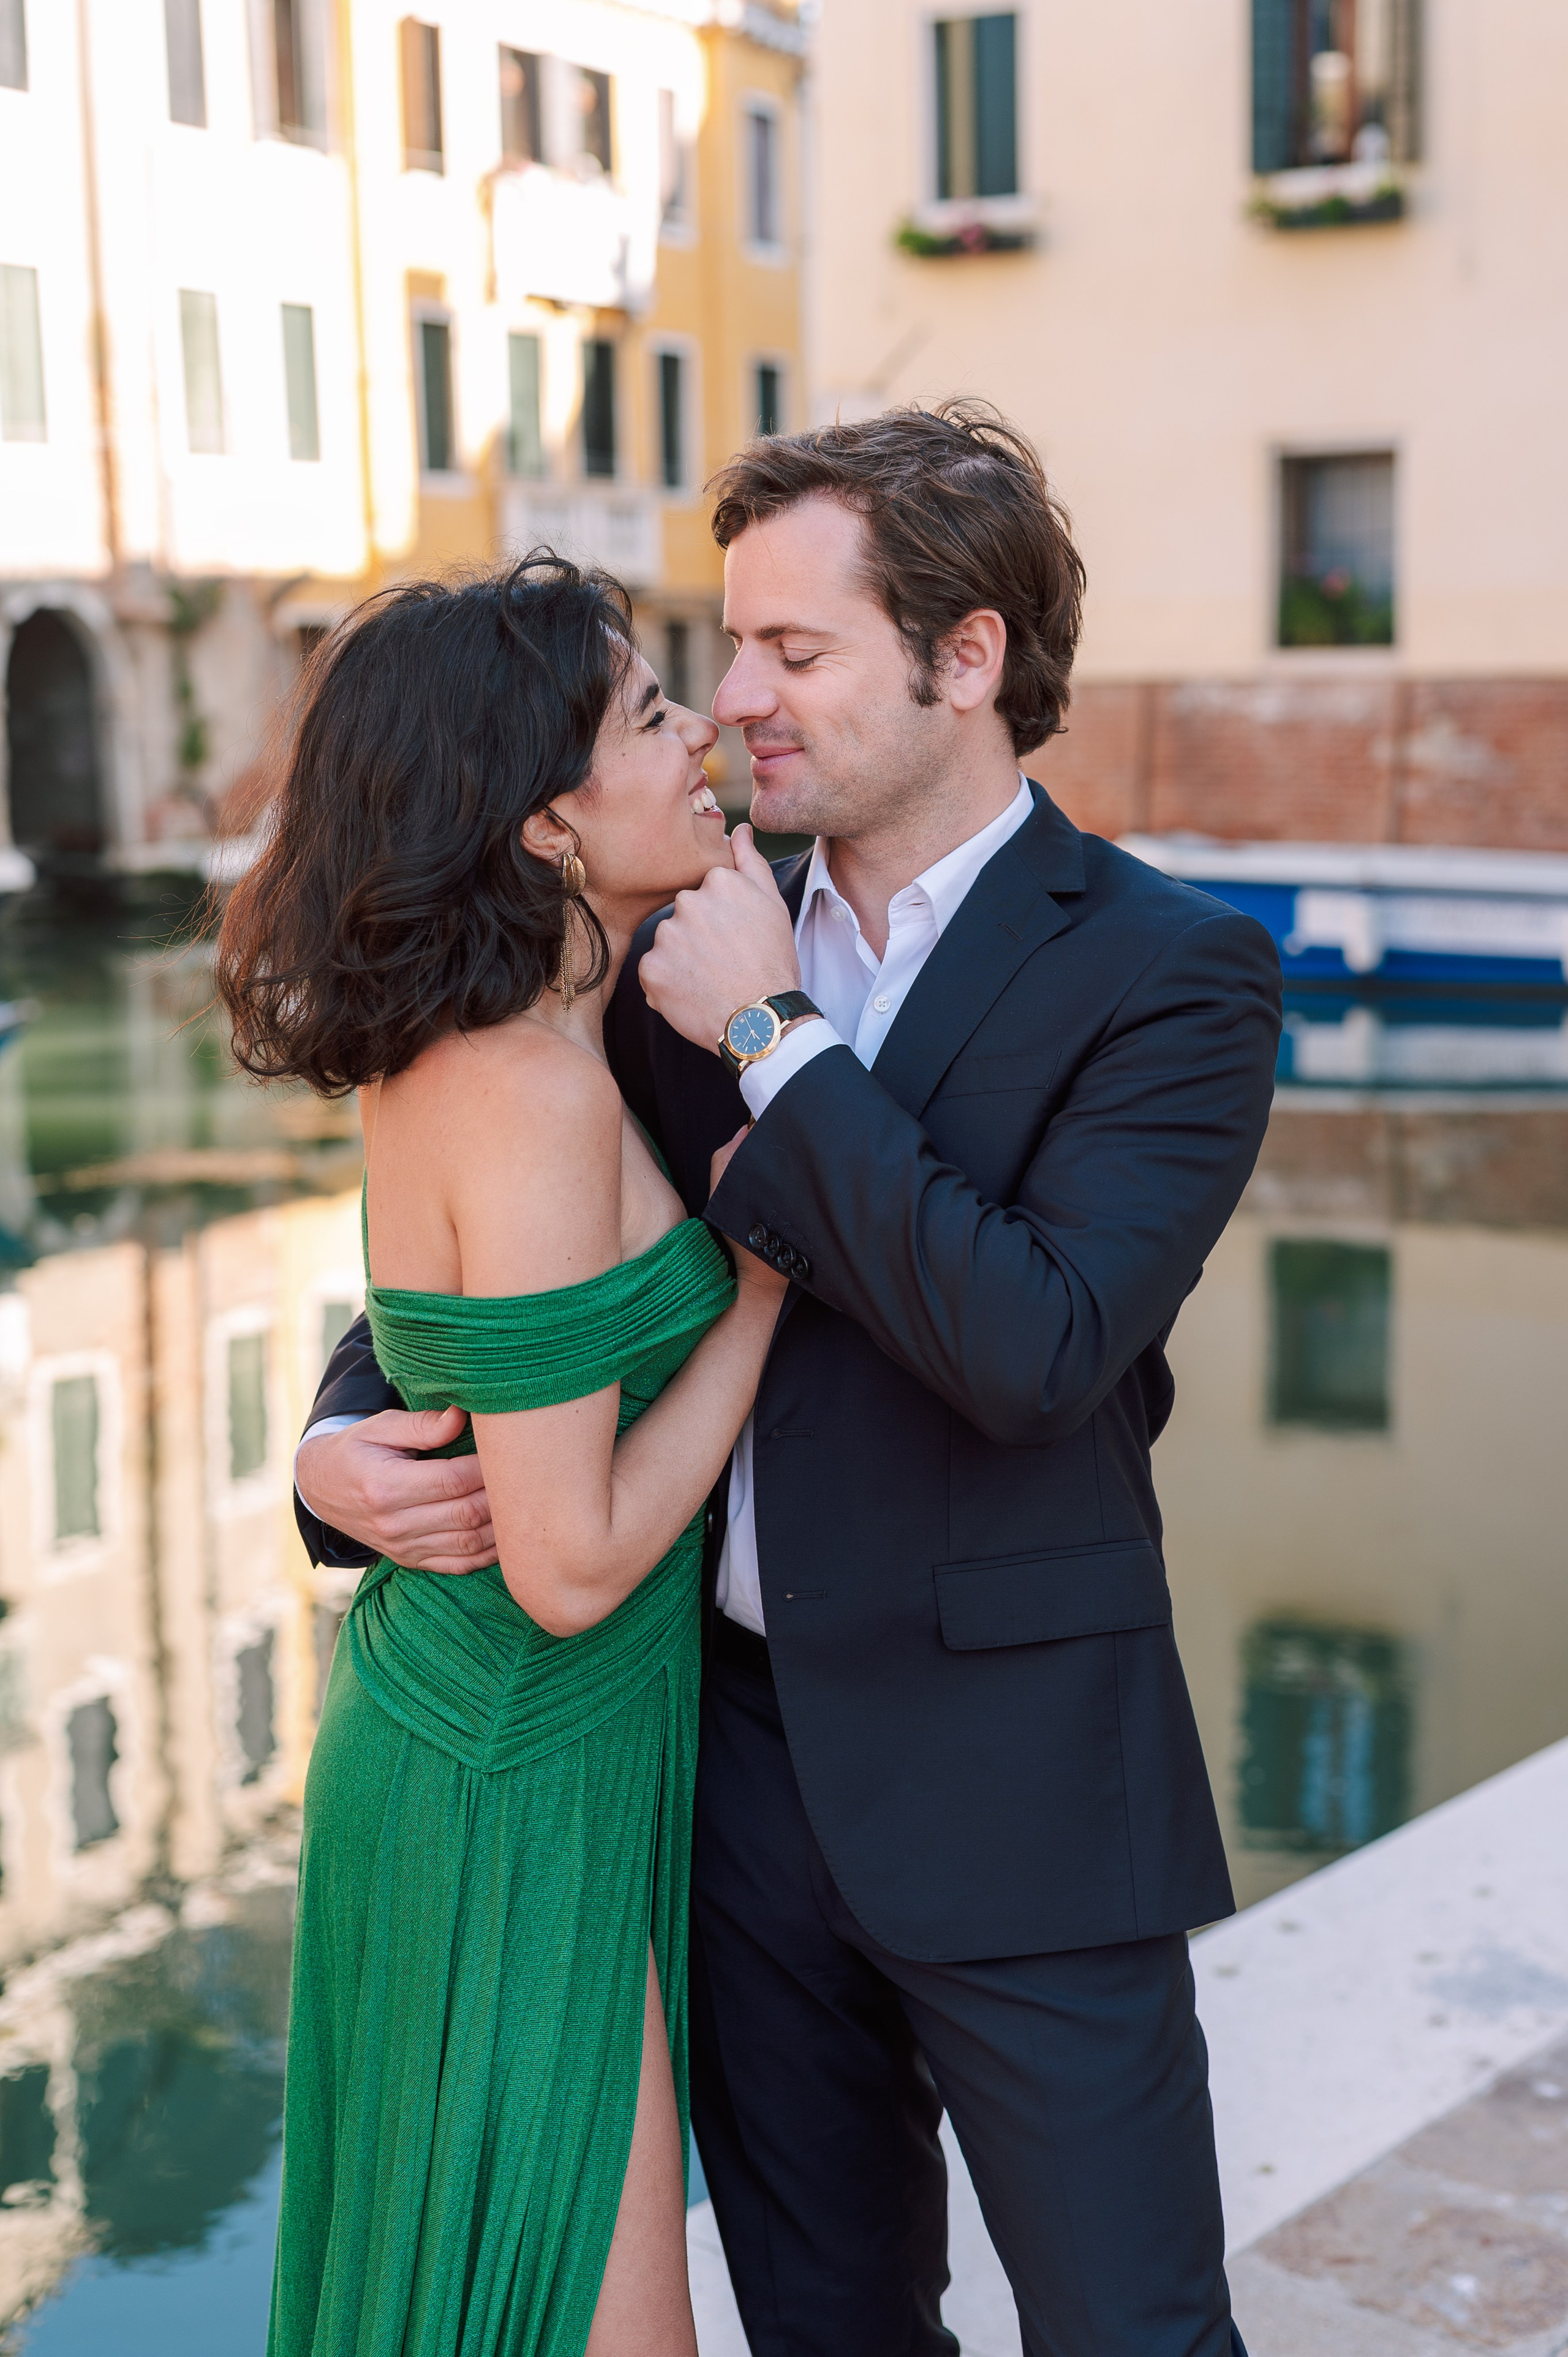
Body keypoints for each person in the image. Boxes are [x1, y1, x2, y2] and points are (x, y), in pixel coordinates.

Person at [296, 403, 1284, 2357]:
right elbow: (530, 1272)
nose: (740, 700)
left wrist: (775, 1037)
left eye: (796, 653)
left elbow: (1043, 1347)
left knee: (1134, 2333)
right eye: (727, 650)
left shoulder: (1170, 974)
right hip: (719, 1785)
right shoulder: (646, 931)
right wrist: (337, 1442)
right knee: (826, 2331)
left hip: (1021, 1798)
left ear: (968, 656)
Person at [216, 560, 789, 2357]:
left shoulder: (514, 1041)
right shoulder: (526, 1087)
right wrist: (768, 1284)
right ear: (545, 819)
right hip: (510, 1760)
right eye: (648, 713)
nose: (704, 726)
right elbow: (569, 1561)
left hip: (525, 1742)